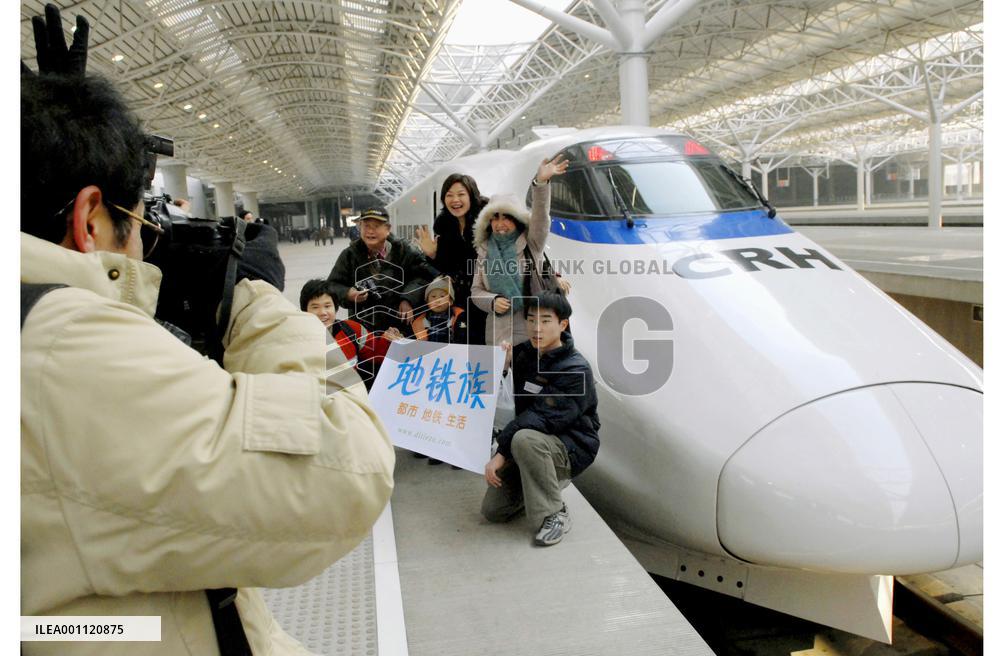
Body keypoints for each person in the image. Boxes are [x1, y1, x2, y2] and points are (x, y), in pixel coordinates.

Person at [20, 9, 394, 654]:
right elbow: (347, 472)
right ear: (88, 220)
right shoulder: (63, 346)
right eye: (139, 224)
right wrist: (252, 304)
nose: (143, 252)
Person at [482, 292, 599, 546]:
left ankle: (555, 513)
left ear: (563, 325)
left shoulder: (575, 369)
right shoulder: (525, 354)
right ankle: (542, 485)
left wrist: (502, 450)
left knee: (525, 439)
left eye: (546, 321)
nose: (537, 328)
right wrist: (502, 365)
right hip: (533, 440)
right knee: (493, 511)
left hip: (570, 446)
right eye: (531, 320)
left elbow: (543, 417)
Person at [471, 155, 569, 346]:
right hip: (498, 335)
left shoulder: (532, 242)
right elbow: (476, 290)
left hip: (531, 335)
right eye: (495, 218)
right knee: (501, 375)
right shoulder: (484, 250)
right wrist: (492, 301)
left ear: (517, 220)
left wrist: (541, 183)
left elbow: (541, 217)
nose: (500, 224)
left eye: (507, 217)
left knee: (529, 375)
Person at [327, 207, 438, 334]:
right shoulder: (349, 255)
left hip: (401, 327)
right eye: (366, 226)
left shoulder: (404, 250)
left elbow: (423, 275)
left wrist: (408, 298)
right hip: (363, 330)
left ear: (388, 229)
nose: (370, 231)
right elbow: (332, 285)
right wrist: (347, 293)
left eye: (376, 226)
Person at [415, 173, 489, 344]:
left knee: (487, 343)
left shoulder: (488, 219)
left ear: (472, 195)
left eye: (461, 194)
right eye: (449, 195)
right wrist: (432, 255)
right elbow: (447, 269)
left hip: (486, 292)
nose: (455, 200)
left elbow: (518, 245)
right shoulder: (444, 224)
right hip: (460, 297)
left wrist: (549, 273)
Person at [300, 278, 402, 386]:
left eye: (327, 306)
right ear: (304, 310)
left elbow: (376, 353)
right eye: (315, 307)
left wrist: (389, 340)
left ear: (335, 308)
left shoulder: (352, 329)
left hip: (350, 397)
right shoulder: (295, 341)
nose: (323, 312)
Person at [410, 275, 468, 344]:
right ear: (427, 302)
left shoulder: (457, 317)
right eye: (433, 296)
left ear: (450, 301)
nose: (437, 300)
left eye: (442, 296)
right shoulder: (421, 320)